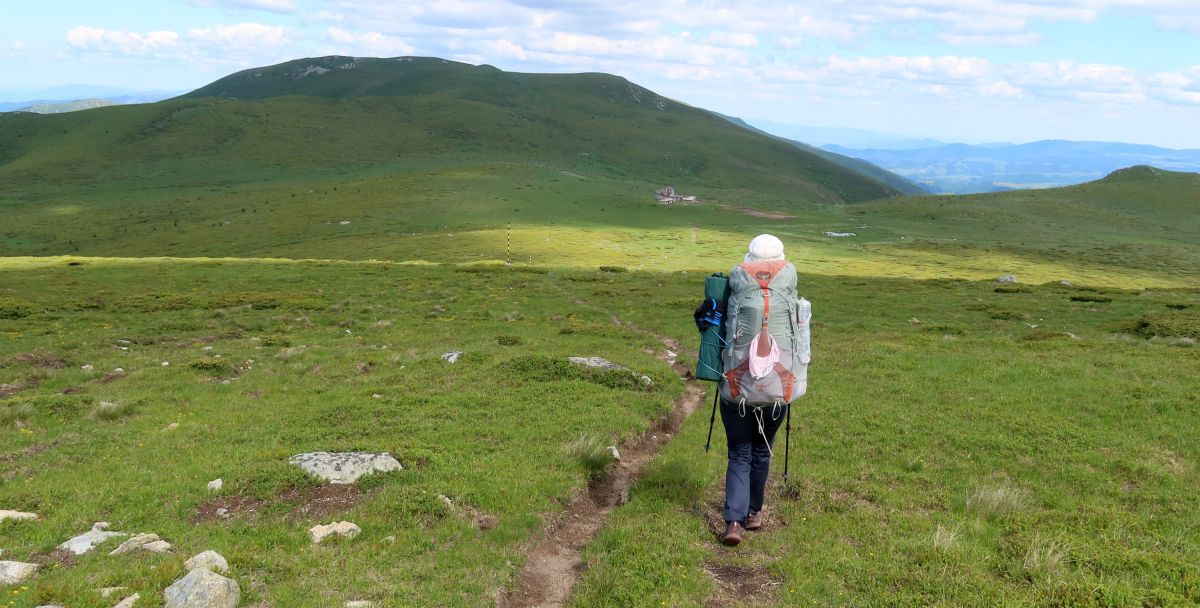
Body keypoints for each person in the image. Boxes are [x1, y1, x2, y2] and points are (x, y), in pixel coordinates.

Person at [719, 234, 792, 546]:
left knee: (740, 451)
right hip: (777, 391)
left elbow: (715, 333)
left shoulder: (735, 287)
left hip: (737, 389)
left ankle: (733, 522)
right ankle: (754, 513)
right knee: (762, 450)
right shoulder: (789, 292)